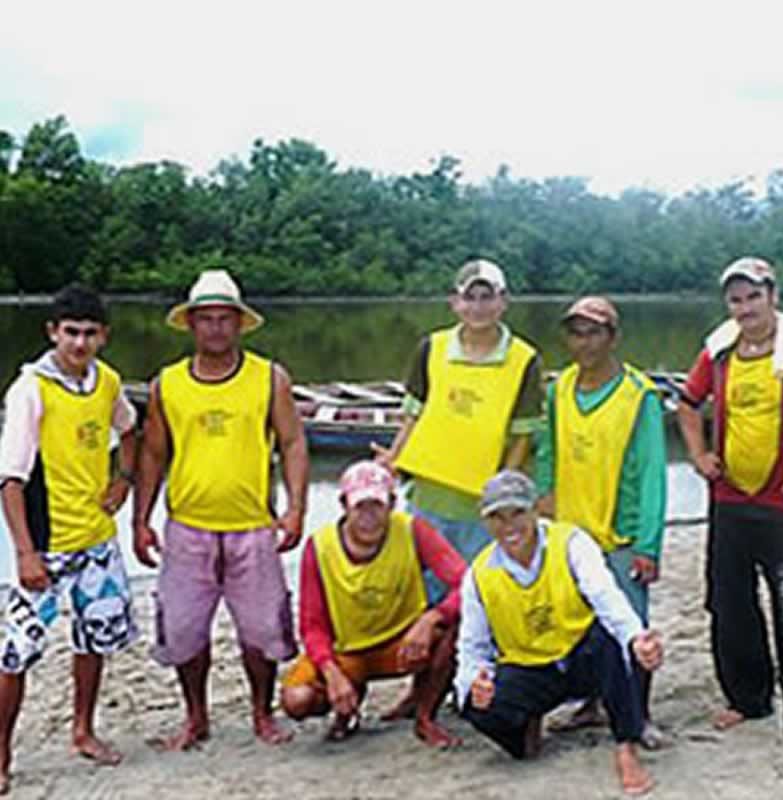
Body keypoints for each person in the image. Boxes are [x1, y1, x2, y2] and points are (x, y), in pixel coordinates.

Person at [133, 269, 309, 750]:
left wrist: (295, 509)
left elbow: (292, 443)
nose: (215, 328)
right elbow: (151, 454)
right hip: (188, 527)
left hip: (253, 525)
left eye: (224, 319)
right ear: (190, 325)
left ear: (239, 323)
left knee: (262, 631)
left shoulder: (269, 378)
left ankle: (261, 713)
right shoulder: (166, 384)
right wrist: (139, 520)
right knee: (186, 631)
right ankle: (196, 716)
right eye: (205, 319)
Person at [0, 285, 138, 794]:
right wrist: (24, 551)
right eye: (70, 332)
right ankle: (1, 756)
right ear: (52, 332)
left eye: (89, 333)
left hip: (97, 541)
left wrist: (123, 479)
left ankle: (83, 730)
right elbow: (10, 479)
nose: (79, 343)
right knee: (14, 654)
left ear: (103, 337)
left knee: (93, 640)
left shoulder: (106, 382)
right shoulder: (30, 389)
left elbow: (130, 428)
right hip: (47, 544)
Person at [457, 470, 663, 797]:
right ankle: (528, 729)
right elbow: (472, 647)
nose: (509, 526)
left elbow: (605, 596)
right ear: (485, 522)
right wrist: (475, 684)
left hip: (581, 654)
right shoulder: (478, 576)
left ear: (535, 510)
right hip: (531, 667)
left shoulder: (571, 543)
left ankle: (626, 745)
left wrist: (636, 638)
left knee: (612, 638)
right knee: (474, 704)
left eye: (517, 513)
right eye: (497, 517)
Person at [677, 256, 783, 751]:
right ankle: (748, 699)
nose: (745, 307)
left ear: (773, 295)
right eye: (736, 298)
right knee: (730, 605)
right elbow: (688, 405)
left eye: (753, 296)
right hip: (729, 499)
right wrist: (699, 453)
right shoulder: (721, 351)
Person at [535, 296, 666, 746]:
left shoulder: (640, 395)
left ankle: (639, 716)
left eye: (594, 331)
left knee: (629, 623)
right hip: (572, 533)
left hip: (621, 531)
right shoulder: (559, 389)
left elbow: (652, 474)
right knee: (582, 624)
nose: (584, 342)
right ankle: (591, 704)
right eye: (576, 331)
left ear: (613, 337)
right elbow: (547, 452)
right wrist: (542, 502)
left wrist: (649, 544)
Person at [376, 259, 543, 603]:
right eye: (470, 297)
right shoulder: (431, 348)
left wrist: (504, 491)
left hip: (480, 502)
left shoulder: (524, 359)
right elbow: (413, 415)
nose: (478, 307)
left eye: (487, 297)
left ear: (503, 301)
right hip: (429, 492)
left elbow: (523, 436)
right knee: (425, 588)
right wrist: (393, 459)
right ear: (455, 302)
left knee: (478, 589)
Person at [281, 460, 466, 747]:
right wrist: (331, 672)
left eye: (377, 506)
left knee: (456, 628)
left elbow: (466, 584)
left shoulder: (412, 530)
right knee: (297, 700)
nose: (369, 517)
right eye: (360, 506)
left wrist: (432, 618)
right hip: (349, 650)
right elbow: (312, 625)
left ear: (392, 503)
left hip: (403, 643)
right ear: (344, 504)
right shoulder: (320, 547)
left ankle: (426, 715)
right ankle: (348, 706)